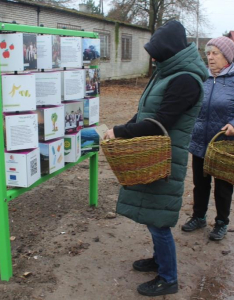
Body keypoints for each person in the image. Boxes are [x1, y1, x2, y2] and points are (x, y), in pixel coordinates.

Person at [103, 21, 208, 297]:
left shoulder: (185, 80)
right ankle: (159, 260)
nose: (152, 57)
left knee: (159, 220)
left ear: (170, 51)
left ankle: (168, 277)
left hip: (165, 158)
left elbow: (159, 121)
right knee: (153, 214)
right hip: (155, 154)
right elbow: (143, 113)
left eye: (156, 51)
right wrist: (123, 129)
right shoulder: (166, 73)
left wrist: (120, 132)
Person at [182, 36, 234, 241]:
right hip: (199, 141)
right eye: (208, 53)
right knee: (200, 183)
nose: (210, 58)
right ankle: (199, 216)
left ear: (227, 57)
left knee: (223, 187)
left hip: (223, 144)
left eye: (215, 53)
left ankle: (221, 222)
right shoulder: (201, 77)